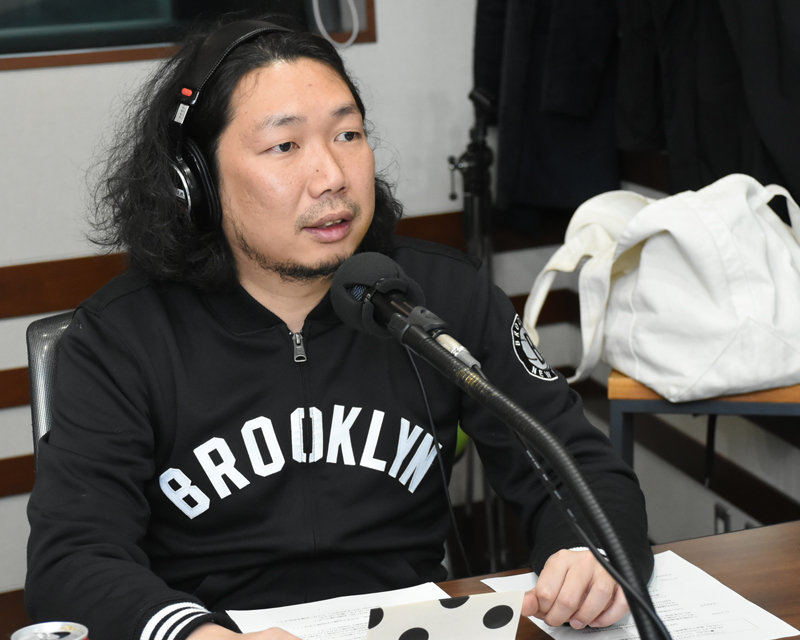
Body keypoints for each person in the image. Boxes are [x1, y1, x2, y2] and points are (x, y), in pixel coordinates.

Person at [25, 14, 653, 640]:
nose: (332, 178)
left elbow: (577, 465)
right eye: (284, 146)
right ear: (196, 182)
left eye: (348, 135)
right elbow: (72, 559)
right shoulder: (122, 336)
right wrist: (197, 636)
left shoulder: (443, 295)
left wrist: (588, 554)